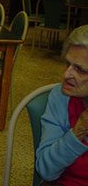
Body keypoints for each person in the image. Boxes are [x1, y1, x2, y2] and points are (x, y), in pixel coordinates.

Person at [36, 25, 88, 186]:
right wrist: (79, 129)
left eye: (80, 70)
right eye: (67, 64)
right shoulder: (60, 97)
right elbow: (46, 169)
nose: (66, 75)